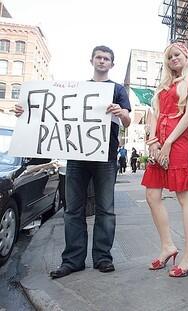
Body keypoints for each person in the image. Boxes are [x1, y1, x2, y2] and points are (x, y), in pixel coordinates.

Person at [14, 45, 132, 278]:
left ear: (111, 64)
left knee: (106, 210)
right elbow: (51, 113)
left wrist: (121, 112)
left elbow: (128, 121)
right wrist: (26, 111)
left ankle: (103, 258)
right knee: (73, 210)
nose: (102, 61)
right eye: (98, 57)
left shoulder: (117, 90)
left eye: (106, 58)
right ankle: (72, 260)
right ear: (92, 60)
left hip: (106, 156)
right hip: (76, 158)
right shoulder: (77, 89)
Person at [141, 42, 188, 277]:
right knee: (151, 194)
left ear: (186, 56)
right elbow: (154, 113)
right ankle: (167, 246)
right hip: (159, 142)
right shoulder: (163, 85)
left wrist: (167, 144)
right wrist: (154, 141)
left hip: (178, 143)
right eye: (169, 57)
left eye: (177, 54)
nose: (173, 59)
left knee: (183, 196)